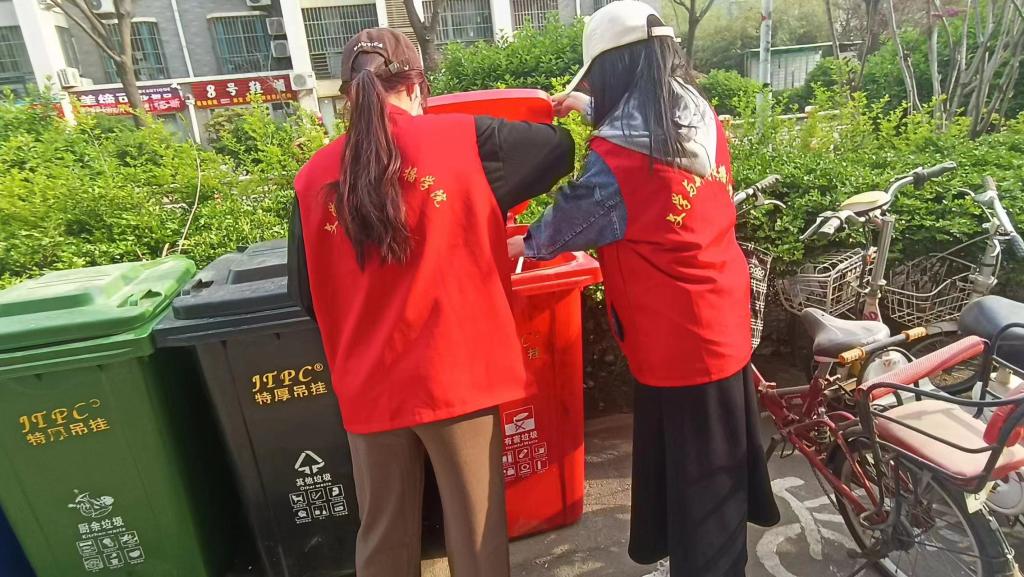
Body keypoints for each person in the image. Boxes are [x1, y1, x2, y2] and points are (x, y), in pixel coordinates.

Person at [288, 28, 575, 577]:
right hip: (456, 375)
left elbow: (305, 295)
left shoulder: (311, 178)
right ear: (417, 85)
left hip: (368, 383)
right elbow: (558, 150)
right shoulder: (467, 142)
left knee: (383, 533)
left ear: (346, 96)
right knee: (475, 527)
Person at [508, 3, 780, 576]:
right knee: (714, 471)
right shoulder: (695, 112)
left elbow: (562, 227)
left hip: (675, 341)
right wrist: (583, 107)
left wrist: (509, 243)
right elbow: (637, 122)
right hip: (719, 317)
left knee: (702, 489)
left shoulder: (621, 160)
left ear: (614, 68)